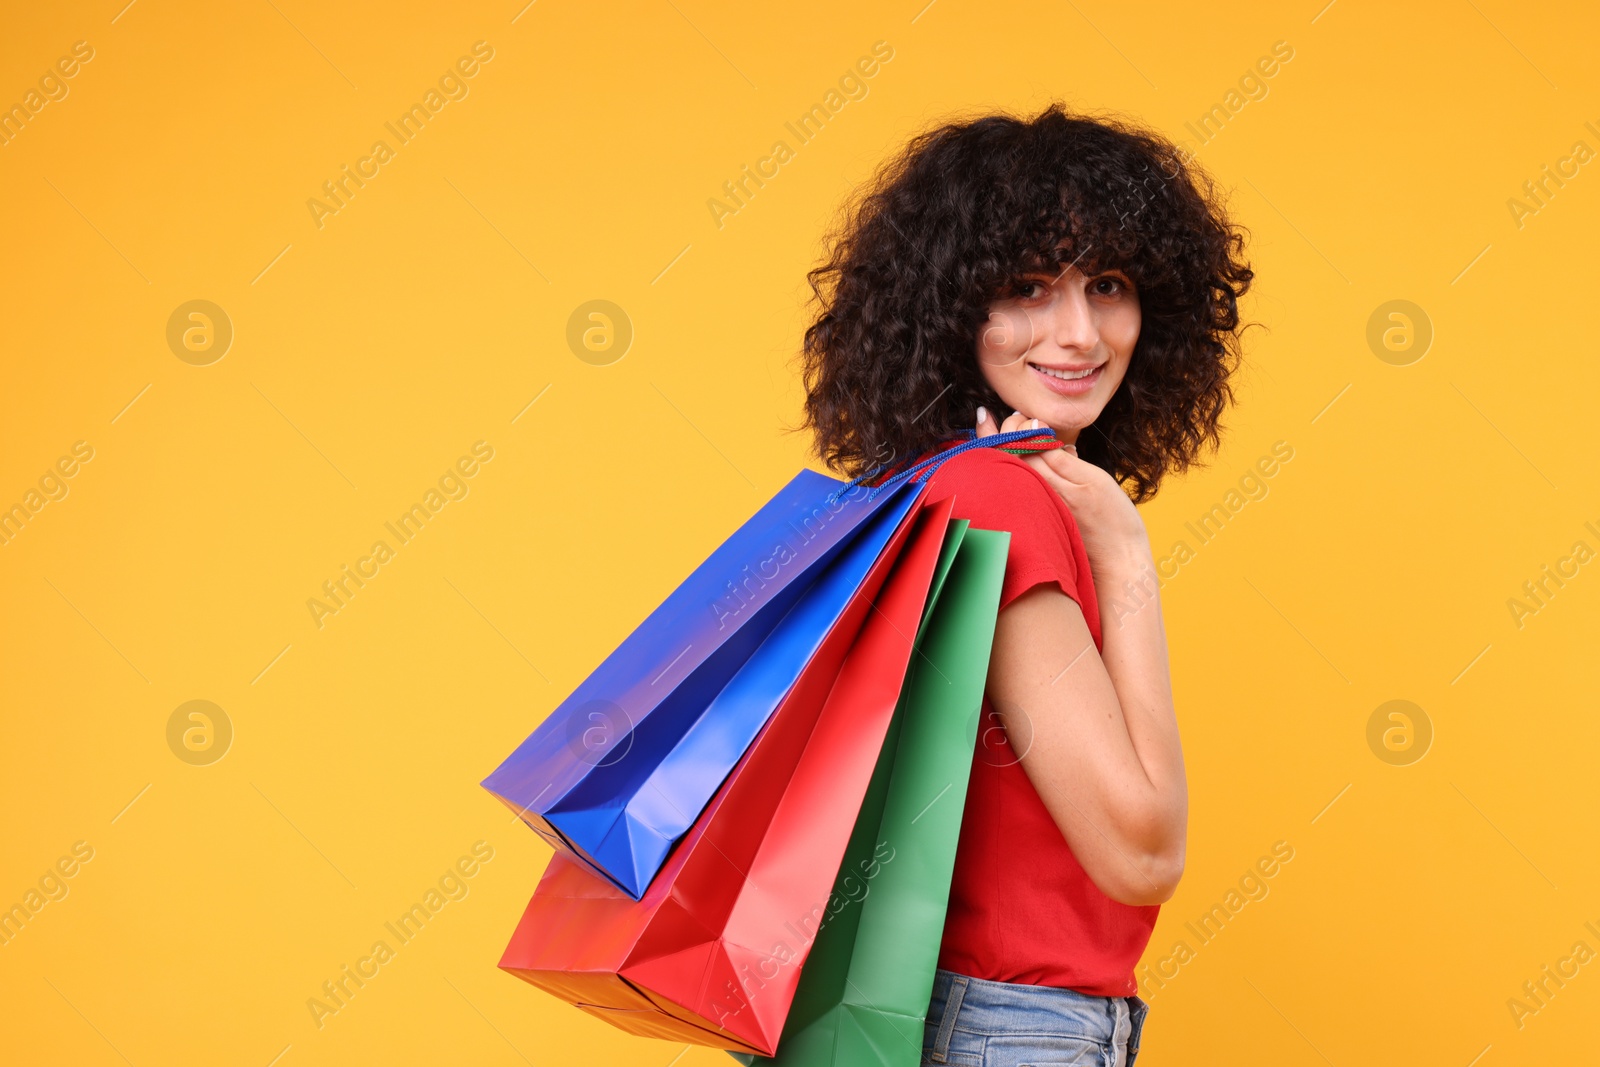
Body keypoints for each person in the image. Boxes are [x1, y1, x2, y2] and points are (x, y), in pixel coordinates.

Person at [799, 103, 1254, 1066]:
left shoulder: (948, 487)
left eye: (1110, 283)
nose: (1080, 331)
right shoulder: (998, 500)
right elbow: (1142, 854)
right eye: (1029, 287)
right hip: (1001, 1030)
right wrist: (1130, 560)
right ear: (953, 307)